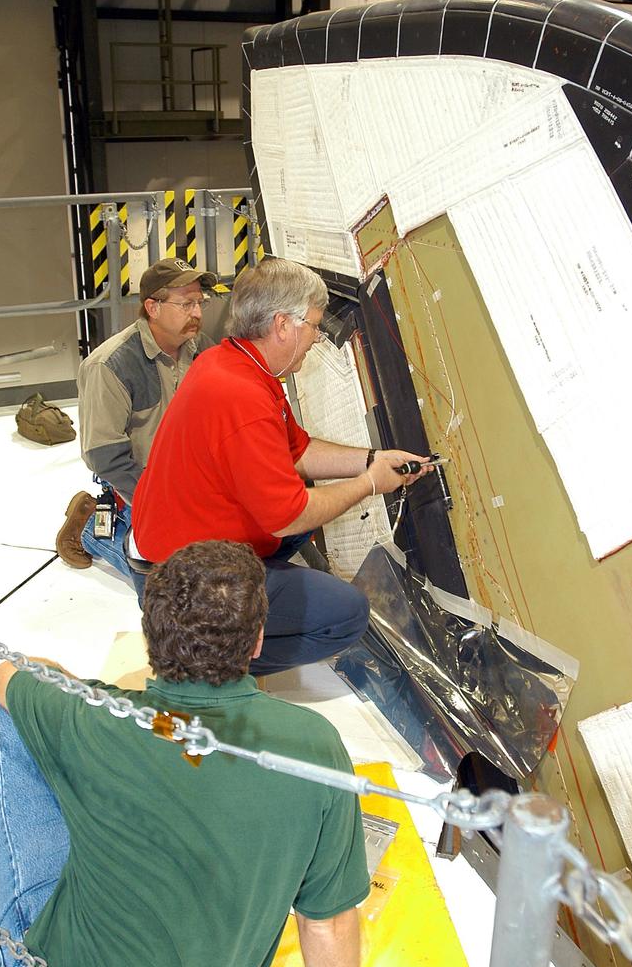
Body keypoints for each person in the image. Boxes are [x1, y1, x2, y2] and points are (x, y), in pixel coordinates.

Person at [0, 541, 444, 967]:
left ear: (150, 635)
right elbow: (330, 923)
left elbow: (11, 676)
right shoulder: (316, 747)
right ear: (257, 643)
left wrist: (88, 697)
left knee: (7, 725)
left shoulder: (96, 721)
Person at [131, 257, 432, 675]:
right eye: (312, 324)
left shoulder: (232, 362)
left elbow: (299, 451)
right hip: (179, 583)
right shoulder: (243, 398)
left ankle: (223, 627)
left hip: (177, 547)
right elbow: (286, 517)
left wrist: (371, 460)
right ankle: (199, 662)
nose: (316, 337)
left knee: (313, 508)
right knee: (346, 614)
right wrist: (368, 484)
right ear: (282, 325)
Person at [55, 259, 216, 594]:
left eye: (200, 302)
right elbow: (105, 457)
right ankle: (92, 530)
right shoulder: (110, 365)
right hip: (141, 483)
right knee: (179, 584)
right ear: (152, 308)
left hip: (191, 479)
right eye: (186, 304)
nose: (197, 313)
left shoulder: (200, 348)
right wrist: (163, 503)